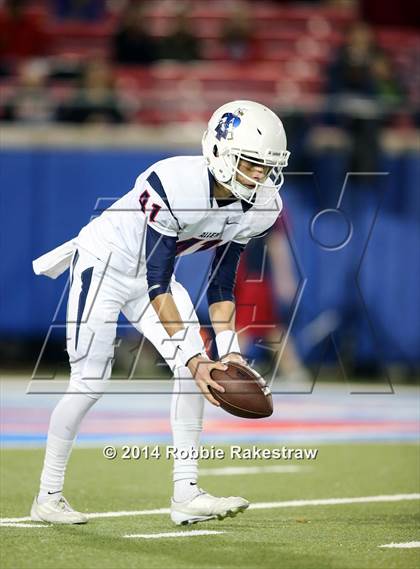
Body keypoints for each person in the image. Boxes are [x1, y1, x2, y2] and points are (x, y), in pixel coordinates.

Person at [30, 100, 290, 526]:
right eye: (251, 163)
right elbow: (157, 281)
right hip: (107, 265)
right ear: (222, 153)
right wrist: (196, 357)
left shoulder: (261, 206)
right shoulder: (175, 182)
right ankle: (48, 497)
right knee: (90, 383)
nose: (260, 175)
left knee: (198, 372)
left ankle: (186, 493)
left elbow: (222, 284)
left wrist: (230, 353)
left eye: (267, 166)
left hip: (152, 278)